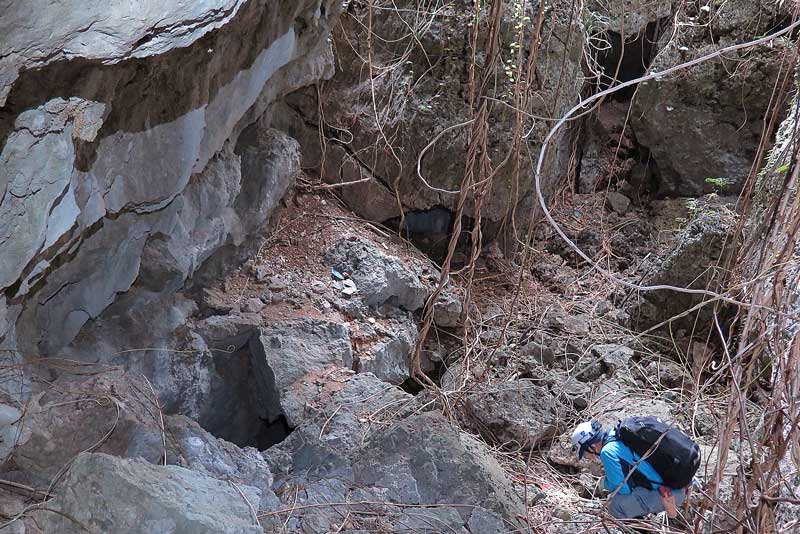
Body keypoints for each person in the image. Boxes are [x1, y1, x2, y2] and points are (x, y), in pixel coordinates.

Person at [571, 420, 689, 520]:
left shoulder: (607, 452)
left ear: (591, 447)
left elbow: (622, 489)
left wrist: (604, 484)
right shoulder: (616, 435)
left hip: (670, 494)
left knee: (615, 506)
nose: (588, 457)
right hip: (680, 482)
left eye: (585, 453)